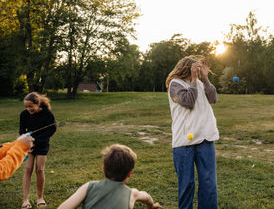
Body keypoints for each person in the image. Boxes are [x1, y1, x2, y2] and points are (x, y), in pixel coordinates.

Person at [166, 55, 219, 209]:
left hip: (205, 139)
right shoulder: (175, 85)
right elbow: (188, 101)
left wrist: (206, 78)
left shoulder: (201, 84)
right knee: (186, 184)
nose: (198, 70)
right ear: (186, 68)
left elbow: (213, 98)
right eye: (195, 68)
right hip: (184, 142)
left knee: (209, 184)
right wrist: (195, 80)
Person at [57, 144, 163, 209]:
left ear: (103, 169)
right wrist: (151, 206)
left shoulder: (89, 187)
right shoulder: (132, 194)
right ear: (130, 173)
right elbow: (146, 197)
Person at [20, 92, 57, 209]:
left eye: (31, 106)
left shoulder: (47, 113)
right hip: (29, 145)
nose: (28, 109)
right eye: (26, 106)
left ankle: (40, 197)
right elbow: (21, 130)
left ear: (38, 104)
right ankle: (25, 200)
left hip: (42, 144)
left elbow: (52, 129)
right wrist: (26, 140)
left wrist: (36, 140)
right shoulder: (24, 114)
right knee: (28, 169)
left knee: (40, 170)